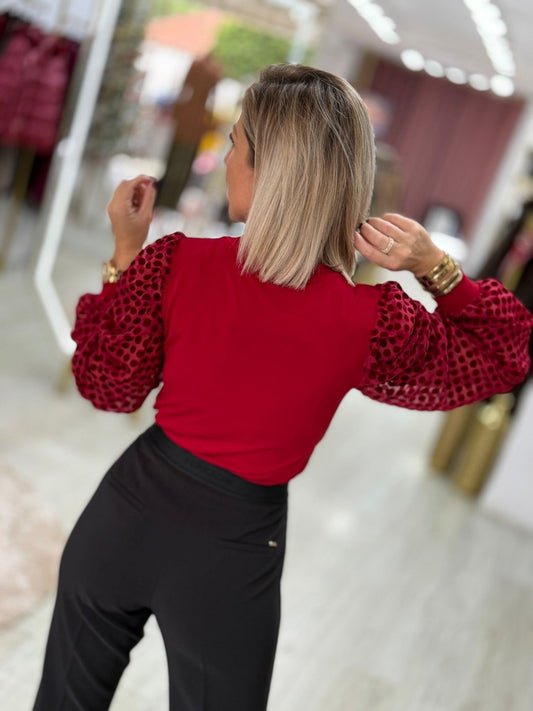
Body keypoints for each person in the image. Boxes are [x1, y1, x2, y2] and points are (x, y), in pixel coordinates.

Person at [33, 64, 532, 711]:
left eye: (235, 144)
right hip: (233, 555)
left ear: (270, 168)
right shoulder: (370, 319)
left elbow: (108, 385)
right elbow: (503, 354)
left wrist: (125, 255)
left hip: (123, 516)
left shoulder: (176, 261)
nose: (225, 160)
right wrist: (435, 268)